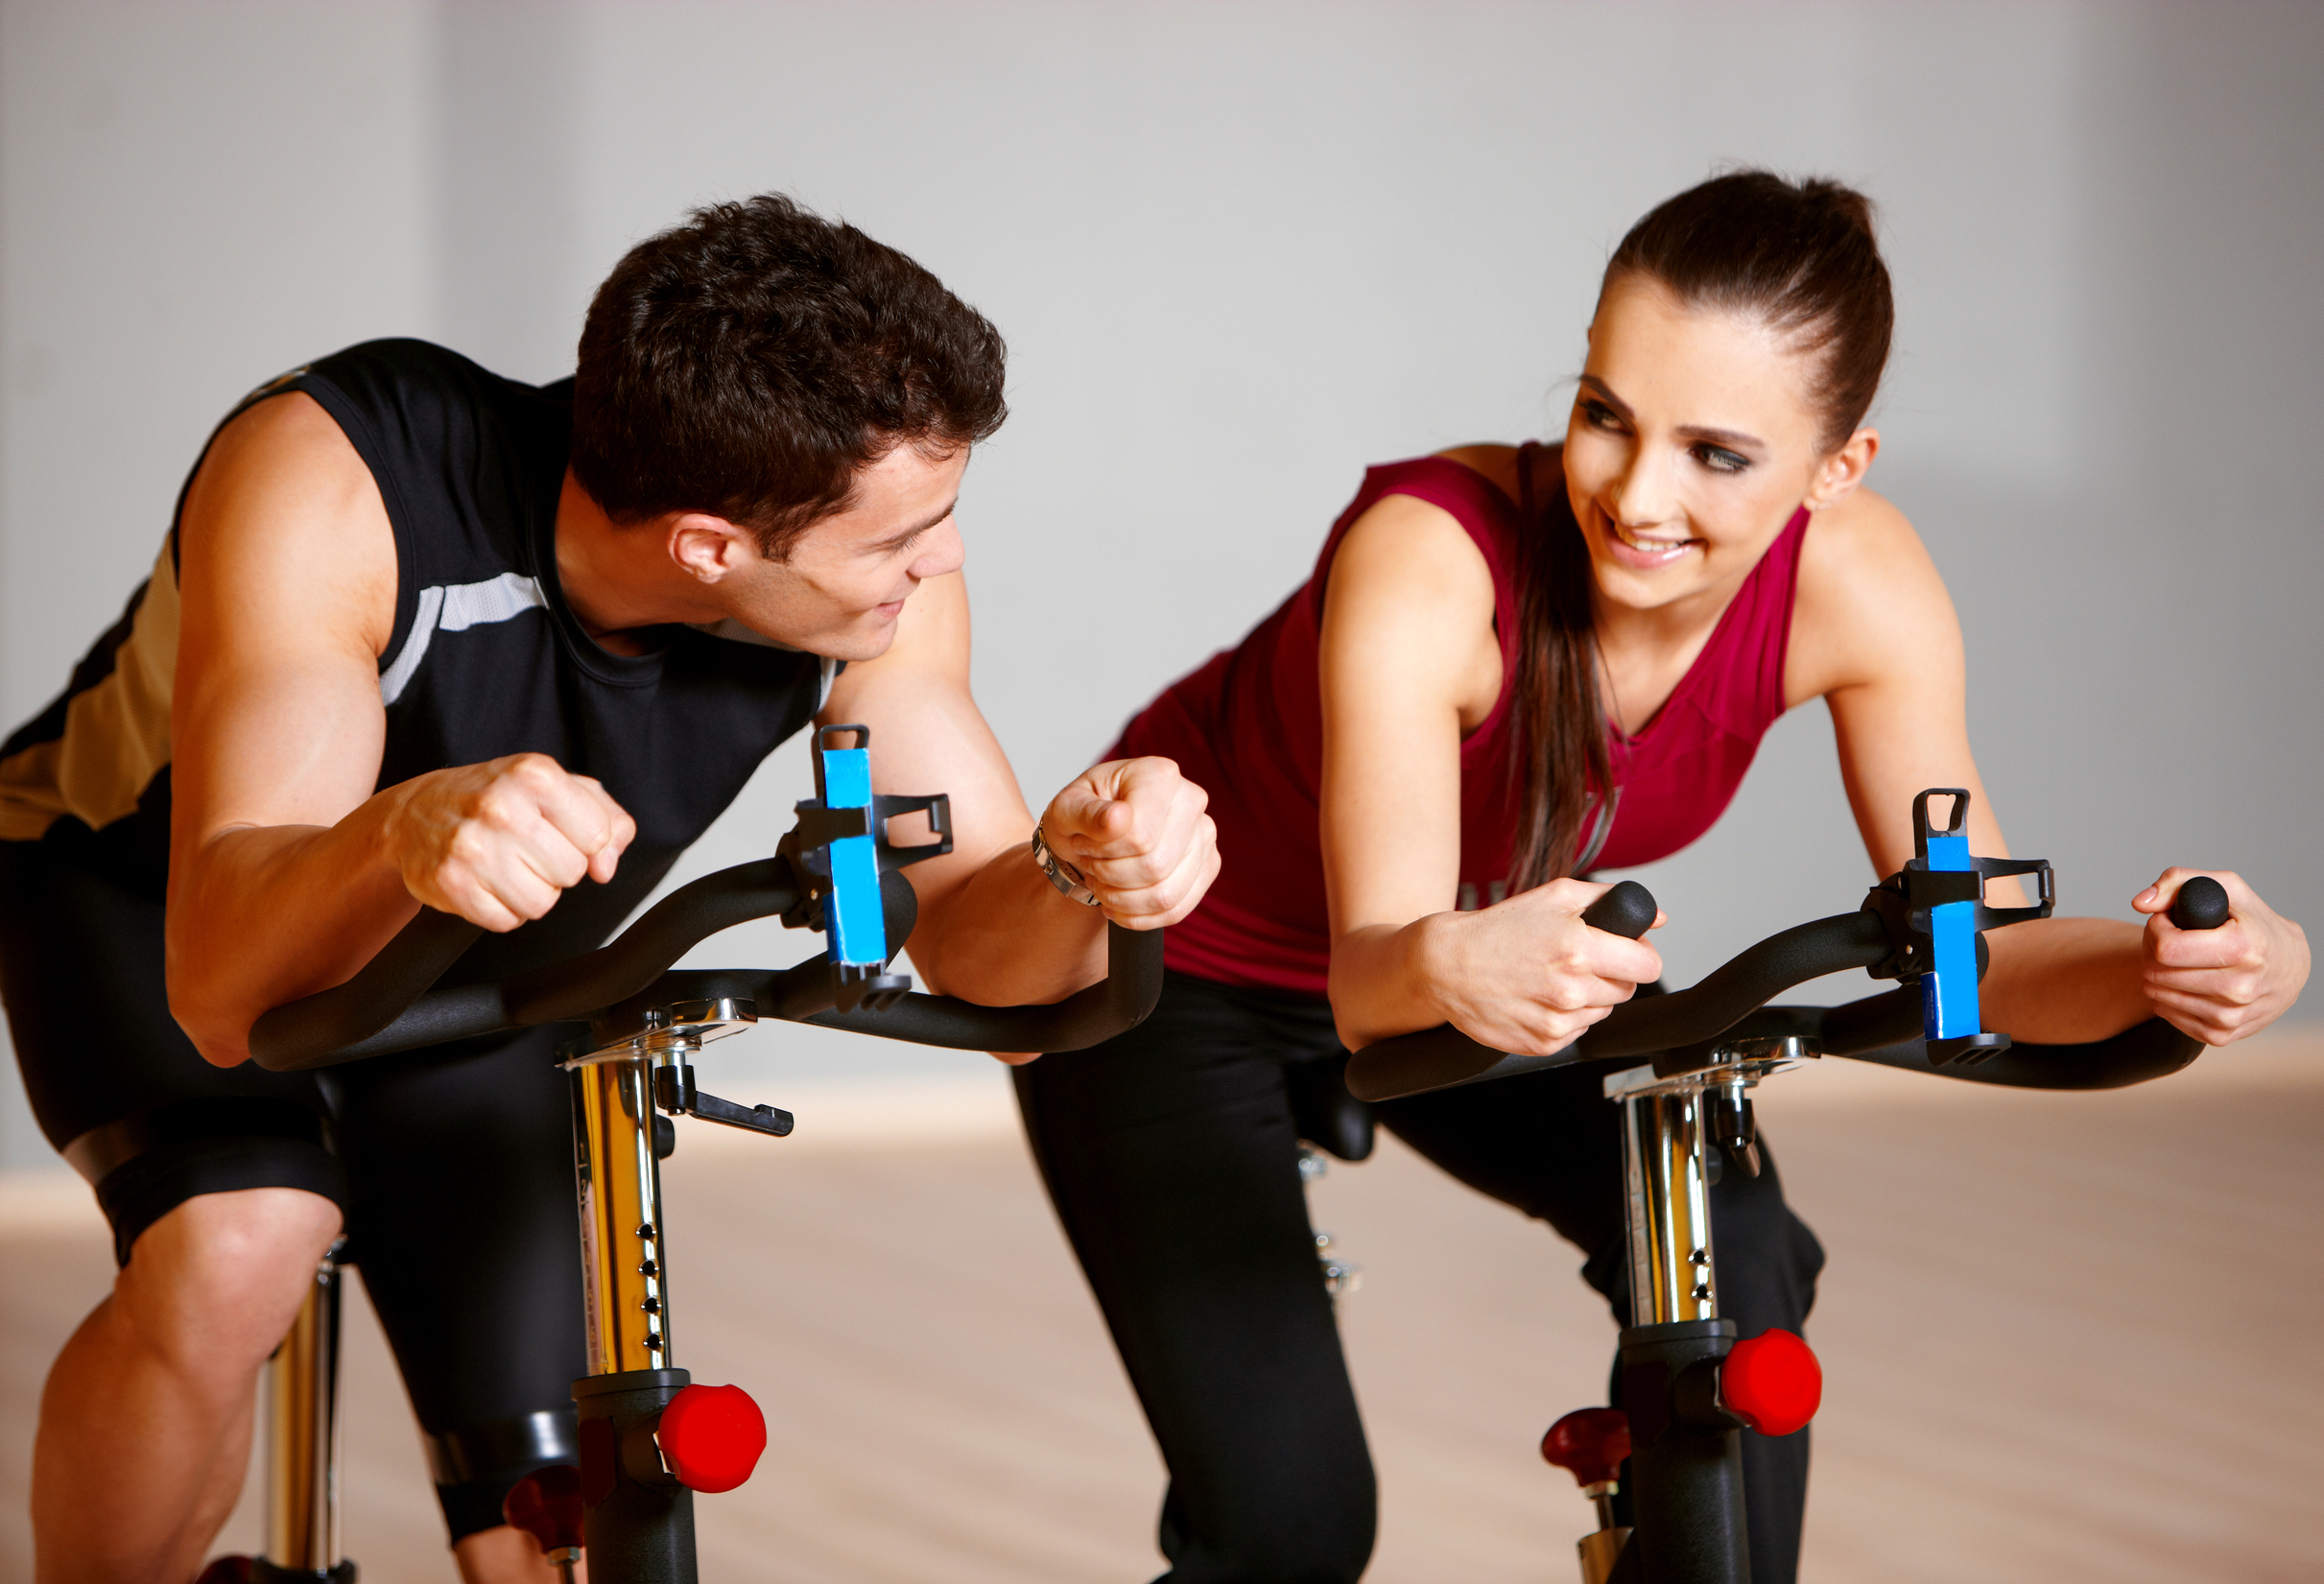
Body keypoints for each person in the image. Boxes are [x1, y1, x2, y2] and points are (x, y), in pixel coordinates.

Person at [1010, 170, 2310, 1584]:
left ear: (1837, 470)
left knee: (1739, 1253)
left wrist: (2167, 975)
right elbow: (1381, 971)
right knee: (1291, 1537)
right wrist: (1454, 961)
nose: (1634, 495)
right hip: (1162, 968)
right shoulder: (1426, 558)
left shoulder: (1858, 584)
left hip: (1462, 962)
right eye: (1604, 416)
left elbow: (1977, 961)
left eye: (1717, 454)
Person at [0, 194, 1218, 1584]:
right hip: (136, 895)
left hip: (489, 980)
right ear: (710, 545)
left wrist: (1084, 870)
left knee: (538, 1536)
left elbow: (995, 982)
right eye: (900, 538)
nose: (937, 560)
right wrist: (399, 831)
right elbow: (226, 990)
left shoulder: (868, 586)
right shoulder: (341, 474)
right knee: (240, 1246)